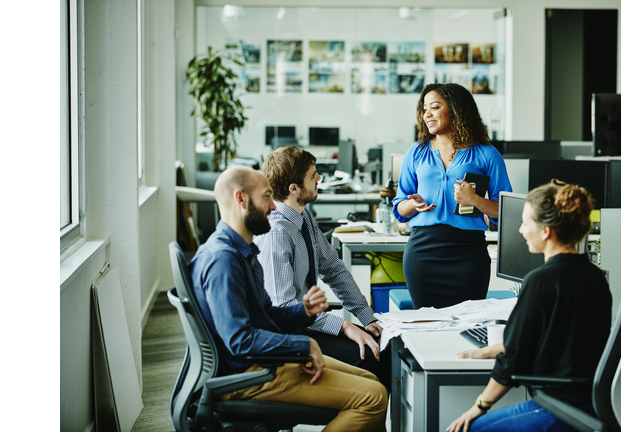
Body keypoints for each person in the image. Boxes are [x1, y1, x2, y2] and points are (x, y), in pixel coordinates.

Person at [189, 166, 387, 432]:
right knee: (373, 398)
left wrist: (303, 311)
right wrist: (303, 346)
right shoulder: (222, 260)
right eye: (267, 197)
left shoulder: (243, 249)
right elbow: (240, 340)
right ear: (241, 199)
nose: (273, 206)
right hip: (249, 375)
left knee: (373, 380)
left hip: (265, 362)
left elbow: (268, 315)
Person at [446, 180, 612, 432]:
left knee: (470, 428)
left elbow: (513, 361)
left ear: (546, 231)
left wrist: (477, 407)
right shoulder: (594, 275)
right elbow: (562, 337)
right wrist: (494, 348)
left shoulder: (542, 280)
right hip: (595, 402)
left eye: (526, 223)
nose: (521, 230)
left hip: (559, 406)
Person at [255, 146, 390, 392]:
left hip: (308, 324)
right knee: (369, 355)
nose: (320, 179)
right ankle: (358, 412)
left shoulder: (304, 218)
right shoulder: (275, 233)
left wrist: (366, 317)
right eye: (313, 176)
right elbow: (284, 308)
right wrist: (344, 326)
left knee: (384, 345)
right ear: (293, 189)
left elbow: (334, 269)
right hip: (287, 334)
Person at [393, 82, 513, 309]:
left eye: (434, 107)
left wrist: (475, 200)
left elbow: (506, 212)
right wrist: (413, 204)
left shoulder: (486, 153)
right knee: (426, 325)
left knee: (469, 325)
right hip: (423, 252)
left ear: (456, 110)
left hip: (468, 254)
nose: (427, 114)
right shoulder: (416, 152)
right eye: (424, 108)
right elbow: (399, 208)